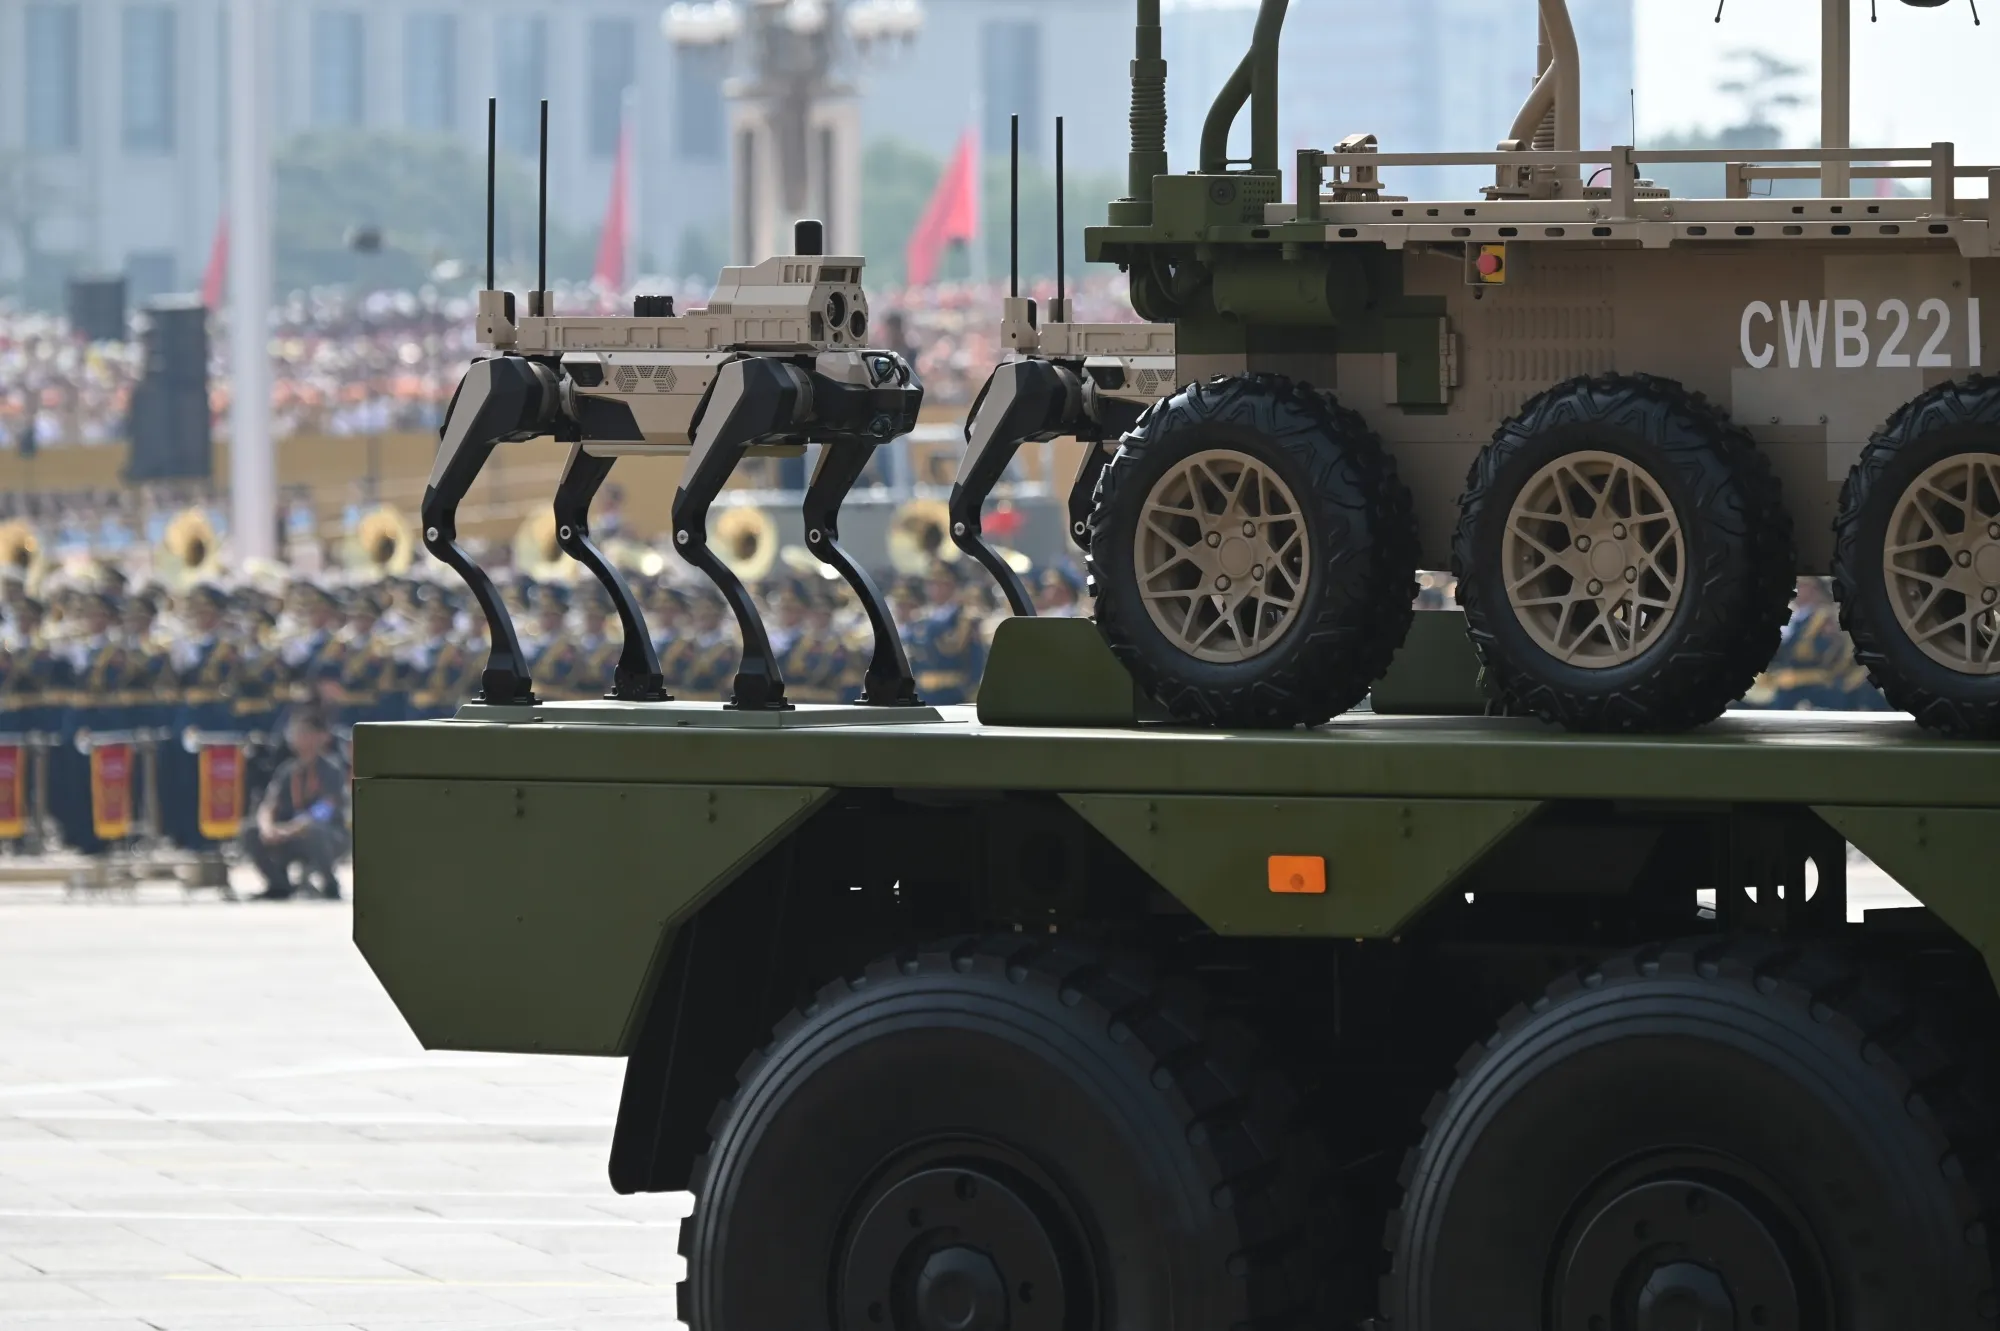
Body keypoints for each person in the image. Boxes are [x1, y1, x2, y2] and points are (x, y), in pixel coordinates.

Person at [243, 704, 349, 900]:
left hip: (327, 837)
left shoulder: (332, 770)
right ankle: (279, 885)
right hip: (288, 835)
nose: (297, 736)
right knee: (250, 830)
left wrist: (291, 828)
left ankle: (329, 883)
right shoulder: (287, 771)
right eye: (294, 731)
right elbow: (269, 804)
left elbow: (325, 809)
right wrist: (268, 828)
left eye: (304, 732)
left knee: (315, 831)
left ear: (321, 736)